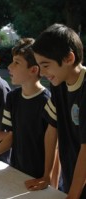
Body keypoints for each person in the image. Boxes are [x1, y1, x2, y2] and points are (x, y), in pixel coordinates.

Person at [0, 38, 59, 191]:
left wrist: (50, 183)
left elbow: (55, 148)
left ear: (34, 70)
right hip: (16, 171)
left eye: (16, 63)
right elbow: (10, 135)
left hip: (38, 178)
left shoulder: (48, 101)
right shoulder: (13, 98)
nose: (9, 67)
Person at [32, 23, 86, 199]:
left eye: (46, 65)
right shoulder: (58, 84)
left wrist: (73, 195)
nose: (42, 72)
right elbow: (52, 130)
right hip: (71, 180)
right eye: (39, 66)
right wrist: (47, 175)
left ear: (69, 58)